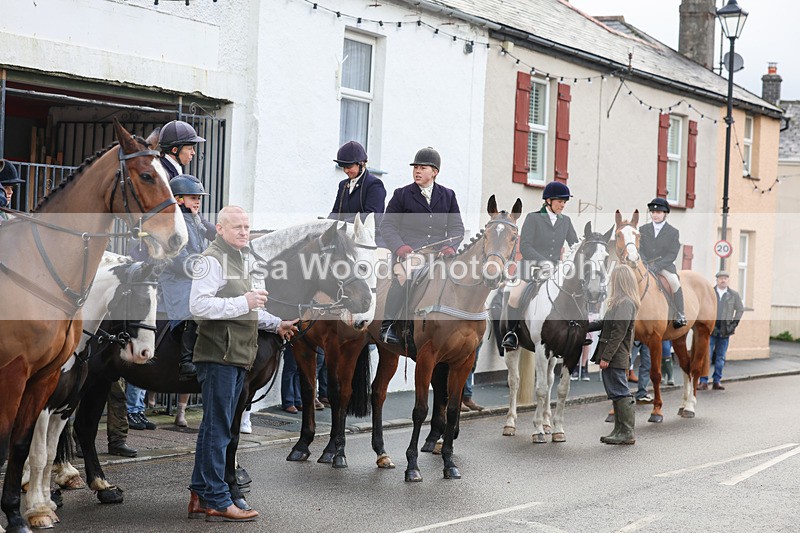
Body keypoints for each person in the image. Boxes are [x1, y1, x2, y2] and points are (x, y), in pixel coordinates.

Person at [188, 206, 298, 522]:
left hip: (237, 355)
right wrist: (244, 302)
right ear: (220, 229)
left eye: (247, 227)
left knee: (215, 427)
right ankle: (218, 499)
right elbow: (198, 306)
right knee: (219, 429)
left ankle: (200, 492)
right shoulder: (210, 260)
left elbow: (249, 310)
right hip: (218, 356)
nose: (244, 232)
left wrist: (276, 324)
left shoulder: (242, 259)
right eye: (237, 227)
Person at [379, 147, 464, 344]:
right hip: (410, 253)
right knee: (403, 276)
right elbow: (387, 225)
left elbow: (457, 228)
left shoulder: (448, 196)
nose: (417, 171)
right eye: (415, 167)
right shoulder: (402, 194)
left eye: (422, 167)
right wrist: (400, 248)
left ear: (434, 172)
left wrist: (450, 248)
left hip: (439, 254)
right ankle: (389, 325)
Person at [501, 181, 578, 350]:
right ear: (549, 200)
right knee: (514, 295)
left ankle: (576, 330)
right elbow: (525, 246)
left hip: (555, 270)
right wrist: (543, 262)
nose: (563, 205)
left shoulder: (566, 221)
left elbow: (574, 244)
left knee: (573, 293)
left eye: (565, 202)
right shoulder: (533, 218)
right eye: (560, 201)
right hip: (530, 267)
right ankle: (512, 333)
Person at [592, 264, 640, 445]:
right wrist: (583, 326)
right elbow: (605, 324)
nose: (611, 281)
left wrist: (606, 357)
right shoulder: (620, 302)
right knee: (615, 392)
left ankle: (627, 432)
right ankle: (619, 430)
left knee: (620, 391)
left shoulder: (626, 303)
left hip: (616, 356)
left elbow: (618, 333)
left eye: (613, 278)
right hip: (614, 355)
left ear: (620, 280)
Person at [639, 198, 687, 328]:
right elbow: (640, 248)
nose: (655, 215)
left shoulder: (673, 232)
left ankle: (680, 314)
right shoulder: (643, 229)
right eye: (653, 212)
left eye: (658, 212)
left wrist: (658, 266)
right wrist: (644, 262)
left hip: (664, 266)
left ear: (665, 213)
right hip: (646, 265)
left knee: (674, 281)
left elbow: (672, 253)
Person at [698, 271, 744, 391]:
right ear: (717, 280)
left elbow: (740, 310)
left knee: (720, 357)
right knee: (706, 355)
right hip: (710, 329)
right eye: (721, 278)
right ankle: (703, 381)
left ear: (728, 280)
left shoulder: (733, 295)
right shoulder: (710, 293)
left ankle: (717, 381)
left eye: (725, 278)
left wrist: (733, 324)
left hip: (725, 330)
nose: (723, 280)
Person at [329, 140, 387, 229]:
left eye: (349, 167)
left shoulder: (374, 185)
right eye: (343, 167)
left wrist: (342, 224)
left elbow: (371, 216)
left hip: (367, 237)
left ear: (361, 163)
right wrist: (327, 223)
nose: (345, 171)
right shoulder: (343, 185)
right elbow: (336, 212)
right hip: (345, 235)